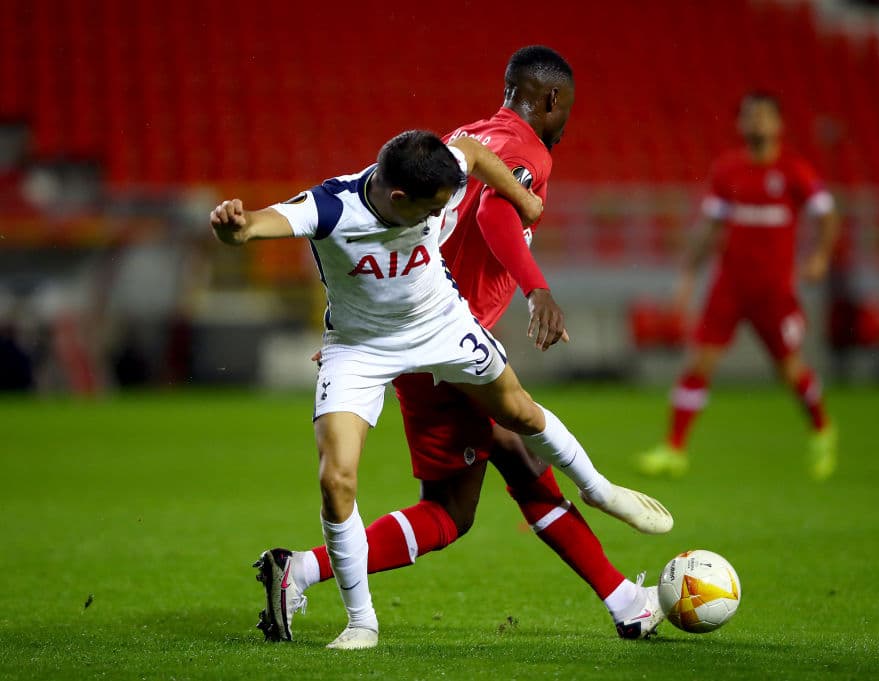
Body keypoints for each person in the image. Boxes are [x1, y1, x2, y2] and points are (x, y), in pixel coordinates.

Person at [253, 46, 667, 647]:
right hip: (445, 342)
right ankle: (625, 595)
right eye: (568, 107)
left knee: (465, 501)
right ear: (552, 100)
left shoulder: (474, 134)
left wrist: (364, 332)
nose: (568, 118)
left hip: (424, 335)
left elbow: (442, 215)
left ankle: (624, 599)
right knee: (484, 488)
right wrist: (537, 291)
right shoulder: (528, 151)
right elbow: (500, 218)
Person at [637, 92, 841, 480]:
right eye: (749, 117)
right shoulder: (728, 170)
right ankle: (674, 449)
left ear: (779, 125)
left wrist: (820, 256)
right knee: (699, 363)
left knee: (789, 370)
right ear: (740, 125)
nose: (757, 123)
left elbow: (827, 214)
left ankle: (822, 430)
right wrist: (688, 276)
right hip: (729, 286)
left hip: (774, 291)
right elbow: (711, 228)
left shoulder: (795, 171)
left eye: (764, 116)